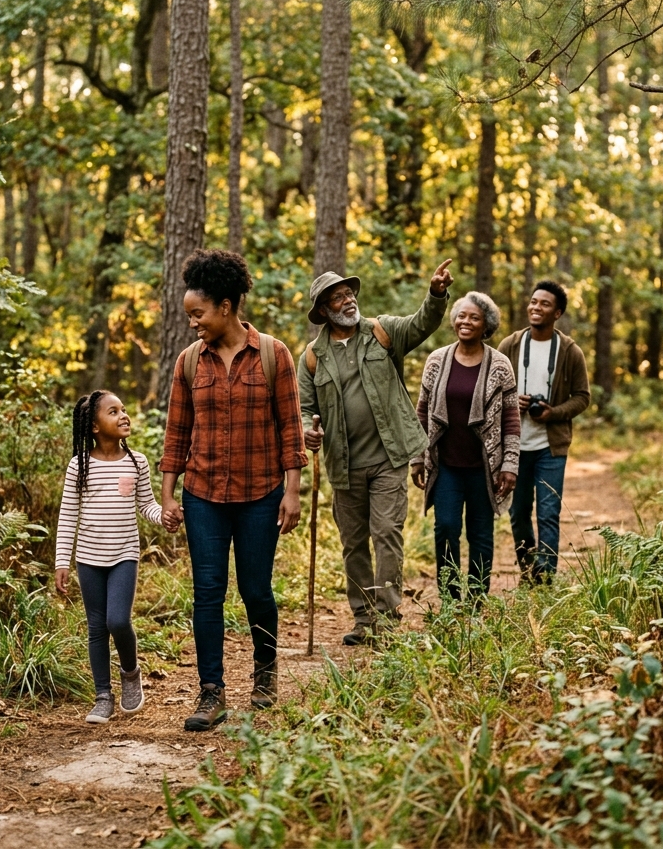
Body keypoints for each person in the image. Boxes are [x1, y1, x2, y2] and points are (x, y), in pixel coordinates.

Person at [160, 249, 307, 732]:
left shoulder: (273, 353)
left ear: (226, 306)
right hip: (203, 495)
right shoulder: (188, 362)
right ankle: (211, 691)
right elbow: (176, 431)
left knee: (256, 590)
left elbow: (291, 426)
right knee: (207, 591)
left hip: (261, 493)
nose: (192, 324)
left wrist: (293, 489)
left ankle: (265, 673)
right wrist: (167, 492)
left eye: (197, 314)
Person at [298, 260, 454, 645]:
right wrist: (306, 430)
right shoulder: (312, 357)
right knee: (353, 543)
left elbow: (422, 323)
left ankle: (386, 620)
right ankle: (363, 618)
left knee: (386, 533)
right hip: (343, 464)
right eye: (339, 297)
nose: (349, 300)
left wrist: (435, 294)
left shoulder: (382, 332)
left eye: (350, 293)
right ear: (324, 310)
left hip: (388, 456)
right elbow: (302, 406)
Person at [55, 390, 162, 724]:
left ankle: (130, 673)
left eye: (124, 409)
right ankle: (103, 695)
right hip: (88, 557)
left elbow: (147, 505)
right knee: (96, 627)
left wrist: (169, 515)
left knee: (118, 621)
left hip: (123, 555)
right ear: (95, 426)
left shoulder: (137, 461)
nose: (123, 415)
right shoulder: (80, 465)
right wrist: (62, 561)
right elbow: (68, 515)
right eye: (113, 412)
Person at [412, 292, 520, 600]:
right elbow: (422, 412)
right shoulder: (437, 361)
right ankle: (449, 597)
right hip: (446, 464)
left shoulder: (500, 365)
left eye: (474, 317)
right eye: (461, 315)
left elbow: (511, 418)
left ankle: (476, 598)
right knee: (445, 528)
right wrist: (417, 458)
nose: (465, 321)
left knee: (481, 535)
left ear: (487, 324)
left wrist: (510, 464)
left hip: (485, 467)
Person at [498, 281, 590, 583]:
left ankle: (546, 577)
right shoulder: (510, 345)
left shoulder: (570, 351)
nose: (536, 307)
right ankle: (528, 569)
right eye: (533, 301)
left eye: (544, 304)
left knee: (549, 512)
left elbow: (582, 397)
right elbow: (490, 391)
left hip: (551, 447)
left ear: (557, 313)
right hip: (514, 445)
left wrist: (553, 413)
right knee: (519, 513)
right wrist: (513, 403)